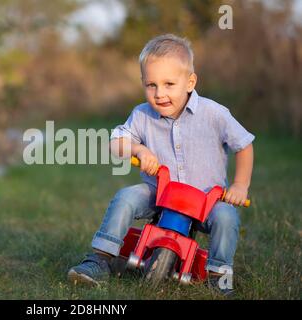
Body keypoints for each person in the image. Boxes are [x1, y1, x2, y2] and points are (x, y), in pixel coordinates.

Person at [67, 34, 254, 296]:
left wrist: (240, 185)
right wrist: (139, 149)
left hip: (206, 199)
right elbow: (115, 142)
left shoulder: (214, 114)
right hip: (160, 193)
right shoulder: (142, 114)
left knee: (226, 217)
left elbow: (244, 145)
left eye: (169, 84)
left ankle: (218, 274)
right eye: (151, 85)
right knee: (126, 197)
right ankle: (100, 259)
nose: (159, 94)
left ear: (190, 82)